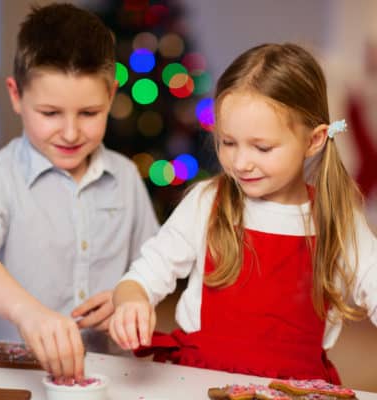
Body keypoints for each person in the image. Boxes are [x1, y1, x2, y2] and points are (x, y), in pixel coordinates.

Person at [108, 43, 377, 383]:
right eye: (227, 142)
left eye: (261, 147)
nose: (240, 162)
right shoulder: (208, 201)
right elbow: (144, 275)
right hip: (199, 382)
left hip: (295, 388)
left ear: (314, 140)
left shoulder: (337, 218)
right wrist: (132, 299)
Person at [0, 1, 158, 377]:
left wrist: (130, 294)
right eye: (50, 113)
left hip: (105, 376)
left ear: (111, 94)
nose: (72, 133)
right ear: (16, 95)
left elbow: (152, 268)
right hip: (12, 376)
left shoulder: (125, 177)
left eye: (89, 113)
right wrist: (27, 312)